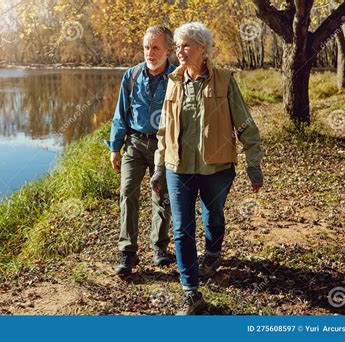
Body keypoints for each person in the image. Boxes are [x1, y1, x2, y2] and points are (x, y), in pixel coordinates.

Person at [151, 22, 264, 314]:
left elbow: (245, 123)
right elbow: (164, 129)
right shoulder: (173, 81)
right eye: (177, 45)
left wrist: (254, 164)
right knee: (181, 228)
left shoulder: (225, 80)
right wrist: (159, 168)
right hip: (179, 167)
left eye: (186, 45)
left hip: (217, 168)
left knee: (213, 215)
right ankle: (191, 292)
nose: (180, 51)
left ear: (203, 48)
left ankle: (212, 252)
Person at [105, 25, 176, 276]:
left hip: (164, 145)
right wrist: (115, 147)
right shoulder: (132, 75)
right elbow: (120, 114)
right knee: (127, 193)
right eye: (146, 47)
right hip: (134, 144)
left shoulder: (178, 77)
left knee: (162, 196)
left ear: (168, 49)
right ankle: (127, 253)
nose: (150, 52)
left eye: (155, 47)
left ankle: (160, 248)